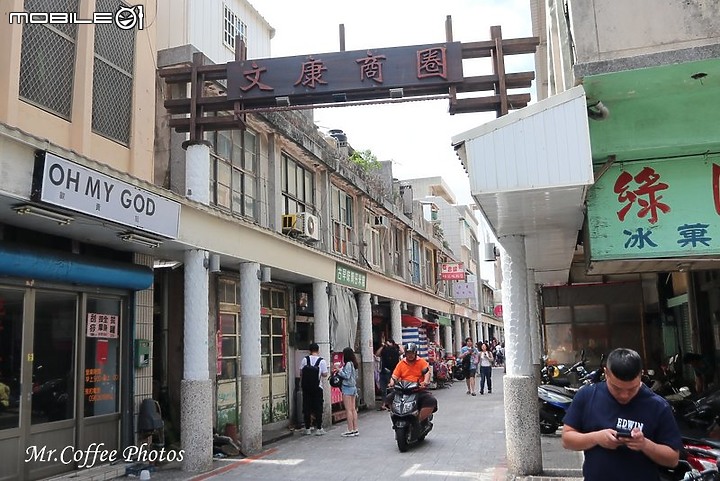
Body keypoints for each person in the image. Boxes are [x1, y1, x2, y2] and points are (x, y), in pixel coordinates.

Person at [562, 348, 682, 481]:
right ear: (606, 374)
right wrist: (596, 438)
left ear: (641, 375)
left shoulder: (658, 406)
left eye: (632, 389)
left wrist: (644, 444)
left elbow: (672, 459)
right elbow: (567, 439)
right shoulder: (587, 396)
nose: (624, 395)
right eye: (617, 388)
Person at [384, 343, 438, 422]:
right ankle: (396, 417)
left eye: (412, 353)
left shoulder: (421, 362)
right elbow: (394, 376)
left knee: (431, 400)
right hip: (403, 389)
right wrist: (391, 383)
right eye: (408, 353)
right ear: (405, 353)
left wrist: (425, 382)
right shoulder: (401, 363)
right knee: (389, 398)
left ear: (415, 353)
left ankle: (420, 420)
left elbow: (427, 373)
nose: (410, 355)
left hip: (418, 389)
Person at [298, 343, 328, 436]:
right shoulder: (321, 361)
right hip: (317, 387)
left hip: (306, 387)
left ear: (309, 351)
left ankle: (307, 428)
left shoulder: (305, 360)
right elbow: (325, 374)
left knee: (306, 407)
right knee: (318, 407)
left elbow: (301, 373)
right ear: (318, 350)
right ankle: (319, 428)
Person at [334, 347, 359, 437]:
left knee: (348, 410)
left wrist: (339, 370)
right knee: (353, 409)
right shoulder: (354, 364)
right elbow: (355, 376)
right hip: (353, 387)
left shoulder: (348, 364)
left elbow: (346, 375)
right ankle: (355, 428)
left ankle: (350, 429)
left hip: (347, 387)